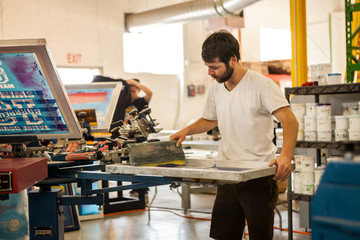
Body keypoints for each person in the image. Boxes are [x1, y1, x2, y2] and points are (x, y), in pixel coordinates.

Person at [170, 30, 298, 240]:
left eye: (214, 67)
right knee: (223, 235)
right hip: (227, 174)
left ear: (233, 60)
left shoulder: (262, 85)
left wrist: (285, 156)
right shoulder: (216, 88)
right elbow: (210, 119)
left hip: (258, 174)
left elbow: (290, 121)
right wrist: (185, 131)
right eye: (208, 67)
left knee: (260, 236)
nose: (210, 73)